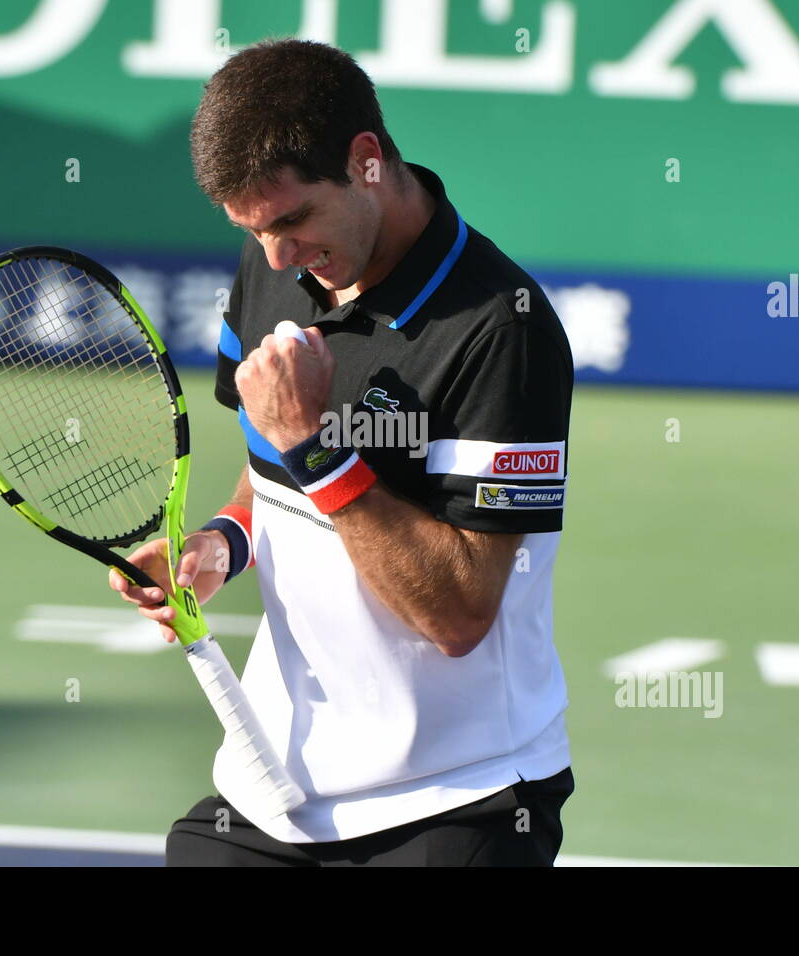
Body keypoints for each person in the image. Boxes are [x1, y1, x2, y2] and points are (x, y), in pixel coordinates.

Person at [109, 37, 574, 866]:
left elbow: (459, 615)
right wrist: (221, 544)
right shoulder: (269, 263)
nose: (279, 257)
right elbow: (271, 480)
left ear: (366, 162)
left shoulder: (503, 329)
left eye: (291, 220)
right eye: (253, 230)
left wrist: (316, 445)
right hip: (275, 788)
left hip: (458, 799)